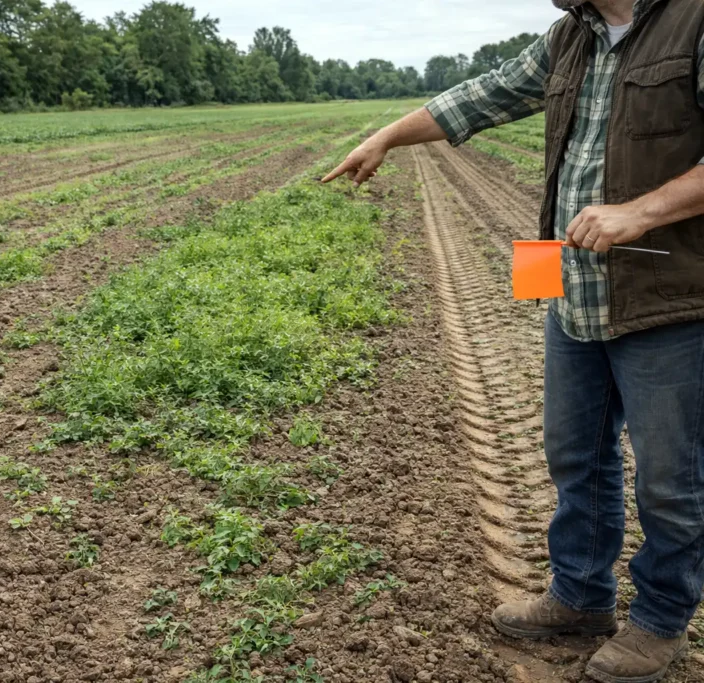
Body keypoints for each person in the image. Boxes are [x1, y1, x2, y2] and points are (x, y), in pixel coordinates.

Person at [323, 1, 704, 681]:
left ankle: (660, 618)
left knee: (672, 479)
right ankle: (579, 595)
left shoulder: (694, 20)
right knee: (573, 455)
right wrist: (387, 136)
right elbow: (482, 95)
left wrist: (639, 212)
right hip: (573, 291)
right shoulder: (569, 37)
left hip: (668, 299)